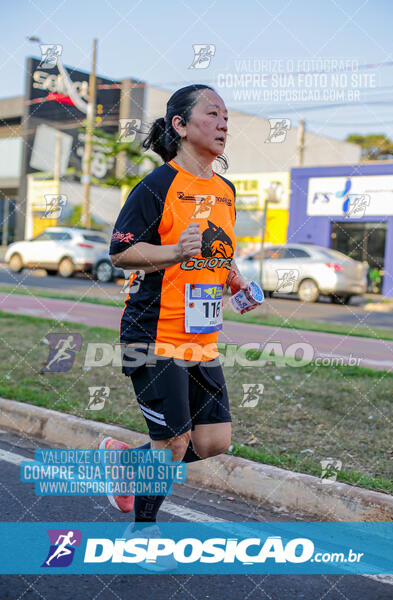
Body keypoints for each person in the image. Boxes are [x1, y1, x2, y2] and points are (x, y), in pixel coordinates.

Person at [100, 84, 258, 566]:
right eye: (212, 114)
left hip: (201, 335)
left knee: (213, 442)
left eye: (226, 116)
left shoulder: (225, 190)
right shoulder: (155, 187)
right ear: (181, 125)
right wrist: (173, 252)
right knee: (174, 441)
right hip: (153, 331)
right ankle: (140, 532)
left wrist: (233, 280)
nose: (224, 123)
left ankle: (130, 464)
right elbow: (121, 252)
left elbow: (213, 251)